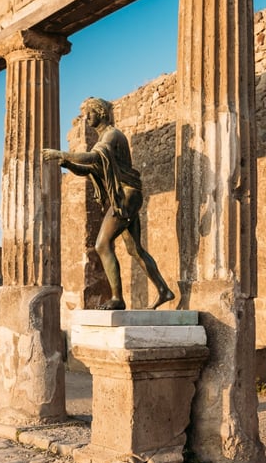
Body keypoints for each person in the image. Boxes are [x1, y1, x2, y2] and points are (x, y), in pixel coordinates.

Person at [42, 96, 176, 310]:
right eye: (85, 114)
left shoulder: (112, 135)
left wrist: (62, 153)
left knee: (102, 245)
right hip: (126, 196)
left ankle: (117, 299)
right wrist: (67, 162)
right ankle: (163, 290)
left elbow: (93, 159)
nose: (86, 118)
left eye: (90, 113)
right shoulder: (103, 139)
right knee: (134, 249)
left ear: (101, 114)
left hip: (126, 195)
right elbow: (89, 170)